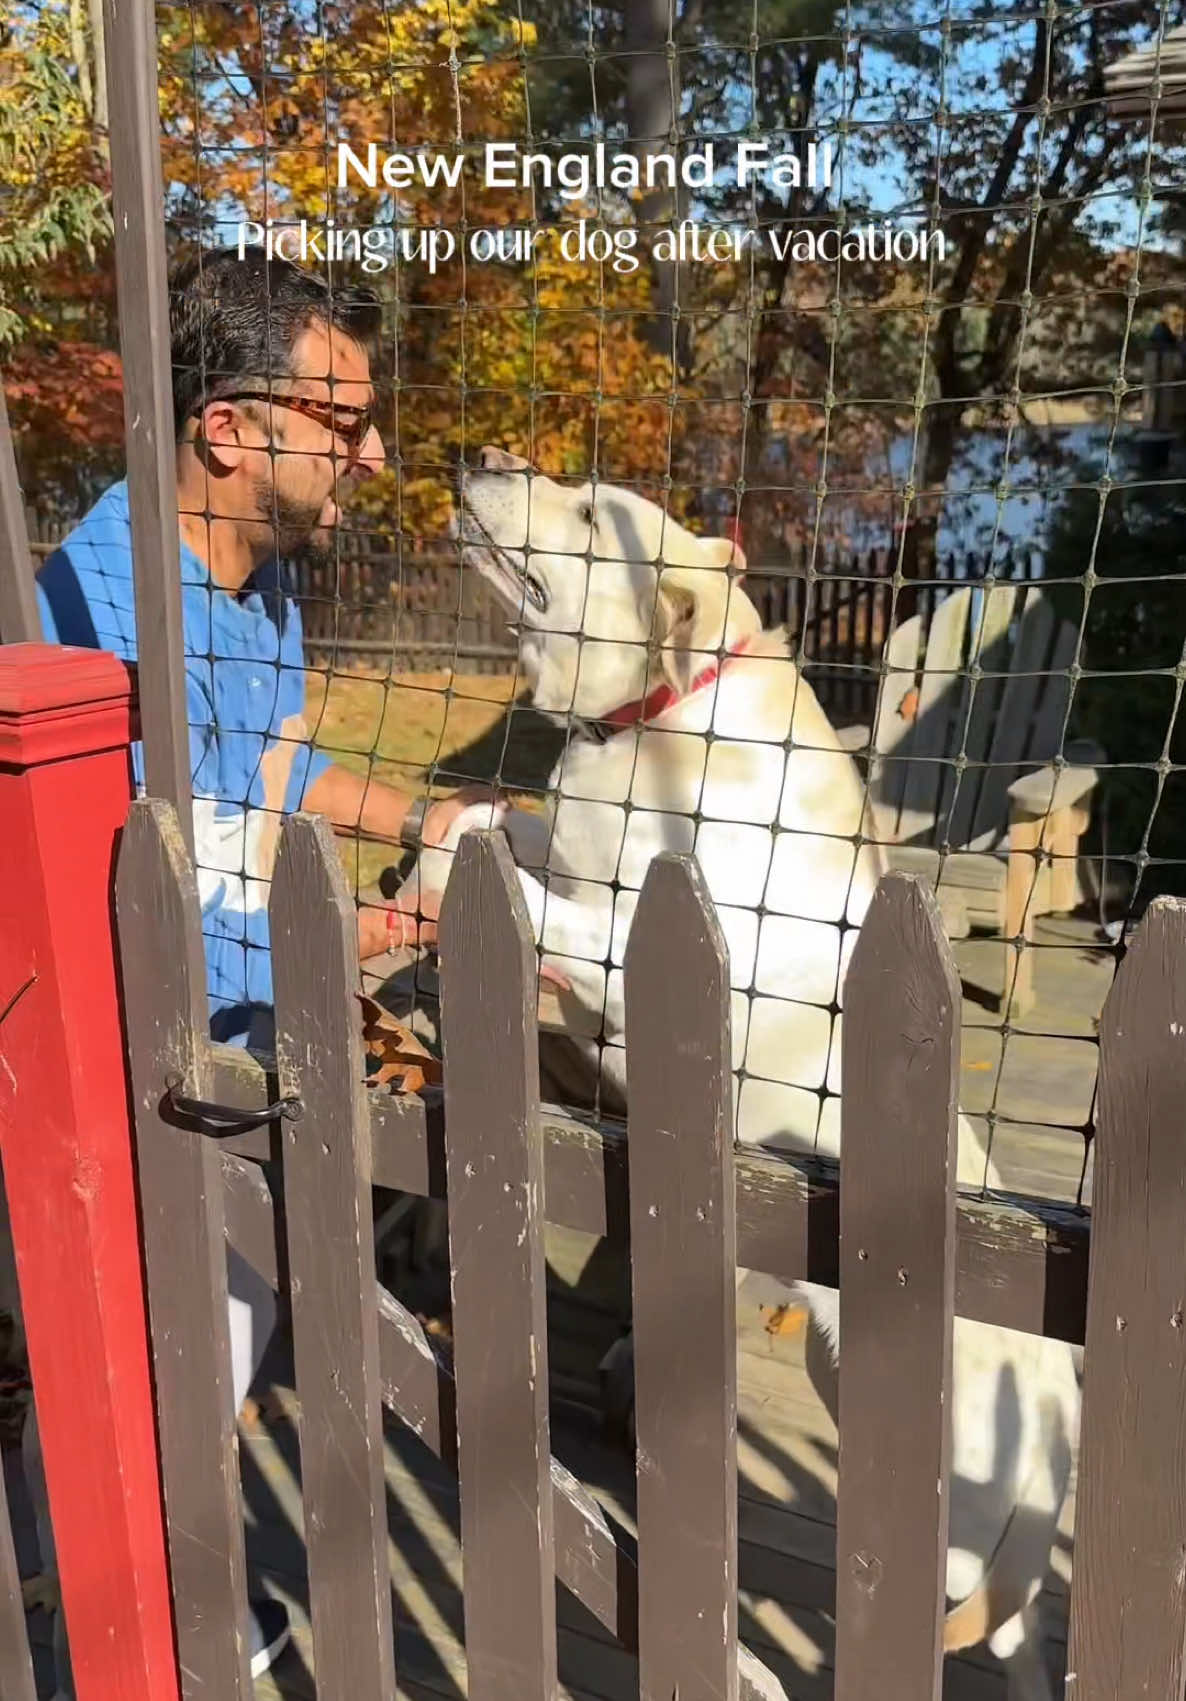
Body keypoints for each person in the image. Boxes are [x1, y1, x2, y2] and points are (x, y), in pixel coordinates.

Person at [35, 246, 485, 1678]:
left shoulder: (262, 579)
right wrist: (376, 930)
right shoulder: (99, 613)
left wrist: (429, 826)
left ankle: (184, 1626)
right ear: (229, 428)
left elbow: (271, 787)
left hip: (253, 1050)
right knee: (143, 1413)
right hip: (146, 1090)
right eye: (343, 425)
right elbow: (145, 880)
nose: (371, 454)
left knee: (207, 1394)